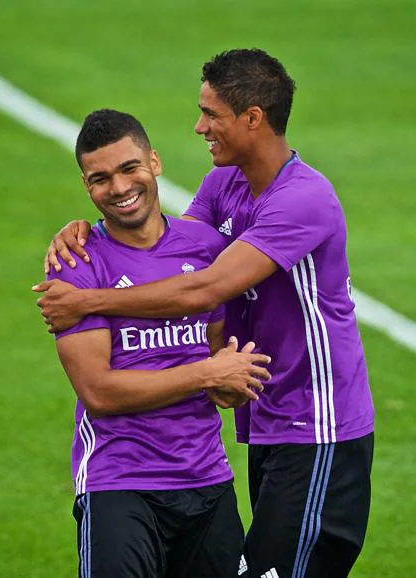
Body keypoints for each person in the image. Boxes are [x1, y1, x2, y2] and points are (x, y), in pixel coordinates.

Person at [34, 49, 375, 578]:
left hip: (319, 426)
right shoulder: (225, 183)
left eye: (211, 114)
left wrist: (88, 300)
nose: (199, 126)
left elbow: (203, 287)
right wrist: (87, 233)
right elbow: (169, 253)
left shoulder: (304, 198)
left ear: (253, 118)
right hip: (267, 417)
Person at [40, 108, 273, 578]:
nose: (120, 188)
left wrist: (226, 383)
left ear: (155, 162)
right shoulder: (76, 263)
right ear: (88, 188)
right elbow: (100, 393)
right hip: (120, 483)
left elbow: (216, 357)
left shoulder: (206, 249)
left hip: (207, 478)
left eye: (130, 168)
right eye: (101, 178)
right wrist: (206, 375)